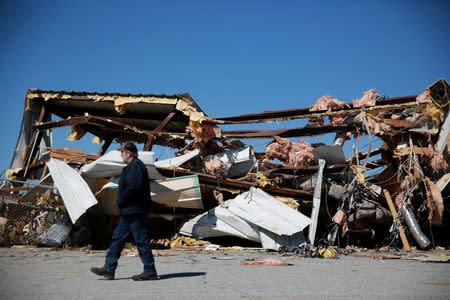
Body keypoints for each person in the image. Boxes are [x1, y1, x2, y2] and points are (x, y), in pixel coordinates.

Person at [91, 142, 158, 281]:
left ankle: (150, 271)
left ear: (128, 153)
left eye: (122, 152)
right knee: (117, 238)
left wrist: (122, 199)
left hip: (135, 210)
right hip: (129, 211)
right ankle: (109, 269)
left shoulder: (136, 166)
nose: (121, 154)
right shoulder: (131, 167)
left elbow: (134, 187)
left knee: (141, 240)